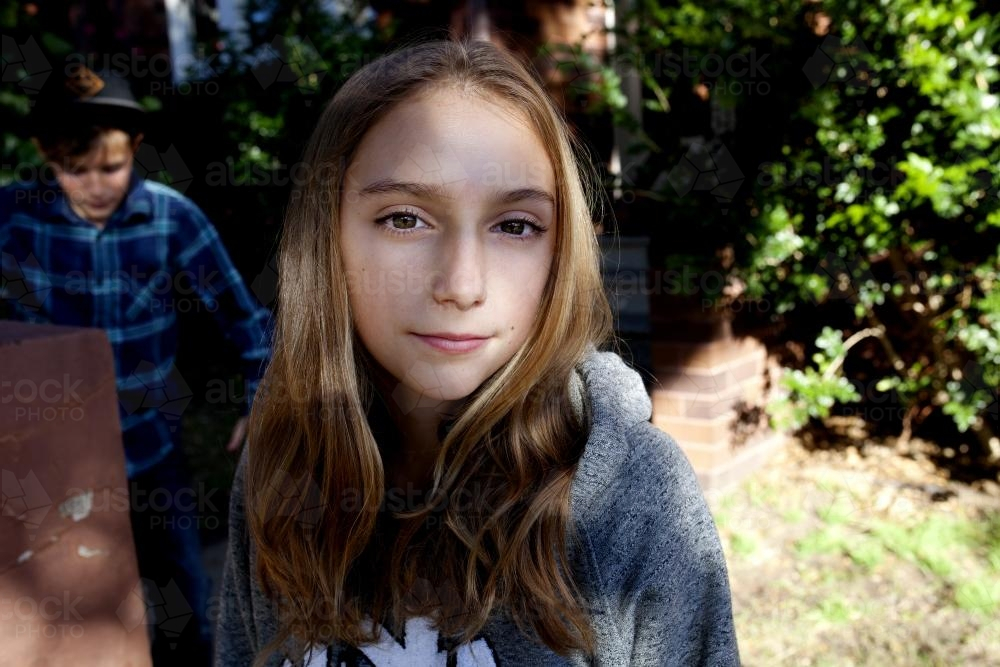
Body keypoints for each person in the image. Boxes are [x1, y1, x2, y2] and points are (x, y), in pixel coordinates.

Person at [214, 38, 740, 667]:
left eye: (515, 226)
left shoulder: (634, 495)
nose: (462, 286)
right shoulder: (282, 458)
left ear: (559, 252)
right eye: (405, 219)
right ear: (326, 236)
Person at [0, 63, 271, 665]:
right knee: (69, 612)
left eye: (112, 167)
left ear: (137, 148)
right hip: (51, 457)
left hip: (150, 448)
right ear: (47, 156)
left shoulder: (172, 218)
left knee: (181, 604)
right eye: (77, 170)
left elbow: (247, 319)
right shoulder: (13, 217)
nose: (97, 185)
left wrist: (260, 401)